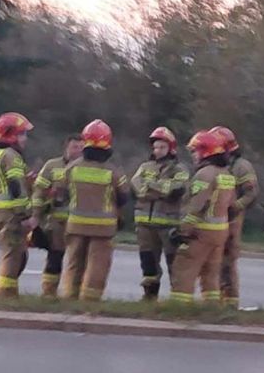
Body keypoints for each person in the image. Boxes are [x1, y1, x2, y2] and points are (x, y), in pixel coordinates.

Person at [55, 119, 130, 301]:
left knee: (74, 262)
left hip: (75, 225)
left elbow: (59, 194)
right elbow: (124, 197)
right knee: (98, 264)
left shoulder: (72, 167)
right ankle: (90, 299)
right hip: (103, 227)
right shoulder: (113, 171)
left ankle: (69, 296)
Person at [170, 129, 236, 304]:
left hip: (201, 232)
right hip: (220, 232)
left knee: (184, 268)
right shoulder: (227, 175)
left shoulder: (204, 174)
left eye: (195, 151)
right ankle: (211, 307)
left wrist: (184, 230)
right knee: (211, 272)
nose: (193, 155)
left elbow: (197, 205)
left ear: (205, 151)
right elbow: (231, 204)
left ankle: (179, 307)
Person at [130, 126, 190, 300]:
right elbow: (137, 187)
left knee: (174, 263)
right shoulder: (145, 166)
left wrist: (152, 186)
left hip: (168, 225)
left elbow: (176, 190)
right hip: (144, 224)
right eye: (155, 147)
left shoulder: (180, 169)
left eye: (162, 147)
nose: (157, 151)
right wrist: (158, 189)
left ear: (170, 148)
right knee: (148, 263)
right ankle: (149, 296)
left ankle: (177, 298)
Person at [0, 112, 37, 297]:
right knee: (13, 255)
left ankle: (8, 293)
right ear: (12, 135)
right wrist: (25, 215)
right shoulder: (12, 155)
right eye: (22, 134)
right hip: (12, 213)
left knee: (16, 254)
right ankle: (6, 297)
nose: (25, 139)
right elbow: (16, 186)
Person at [30, 133, 84, 298]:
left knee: (77, 261)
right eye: (75, 147)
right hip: (57, 221)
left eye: (82, 148)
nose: (78, 151)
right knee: (54, 256)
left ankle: (72, 294)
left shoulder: (87, 167)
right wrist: (35, 216)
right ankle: (48, 292)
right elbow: (39, 192)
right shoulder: (52, 165)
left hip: (79, 222)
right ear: (66, 147)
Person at [212, 126, 259, 309]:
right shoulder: (216, 166)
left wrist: (235, 207)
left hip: (232, 219)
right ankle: (218, 299)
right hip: (216, 218)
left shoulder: (241, 166)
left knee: (227, 261)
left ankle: (230, 302)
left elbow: (251, 193)